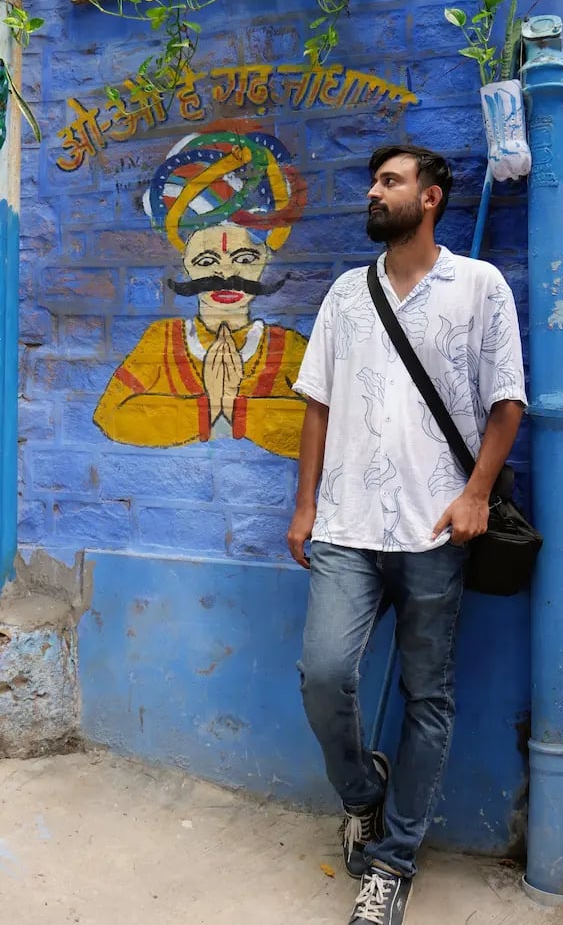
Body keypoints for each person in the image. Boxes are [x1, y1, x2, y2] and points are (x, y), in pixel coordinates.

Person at [287, 144, 527, 925]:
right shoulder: (345, 295)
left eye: (389, 181)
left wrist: (476, 495)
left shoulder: (479, 287)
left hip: (435, 531)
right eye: (373, 181)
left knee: (430, 698)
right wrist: (304, 507)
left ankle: (391, 863)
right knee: (324, 674)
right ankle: (363, 791)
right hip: (347, 527)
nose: (373, 191)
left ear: (430, 197)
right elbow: (316, 404)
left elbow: (508, 401)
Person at [94, 129, 308, 456]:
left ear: (265, 261)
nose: (225, 274)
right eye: (207, 260)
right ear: (187, 265)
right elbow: (110, 414)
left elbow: (330, 428)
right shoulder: (162, 341)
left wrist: (237, 409)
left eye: (244, 258)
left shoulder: (287, 347)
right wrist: (206, 409)